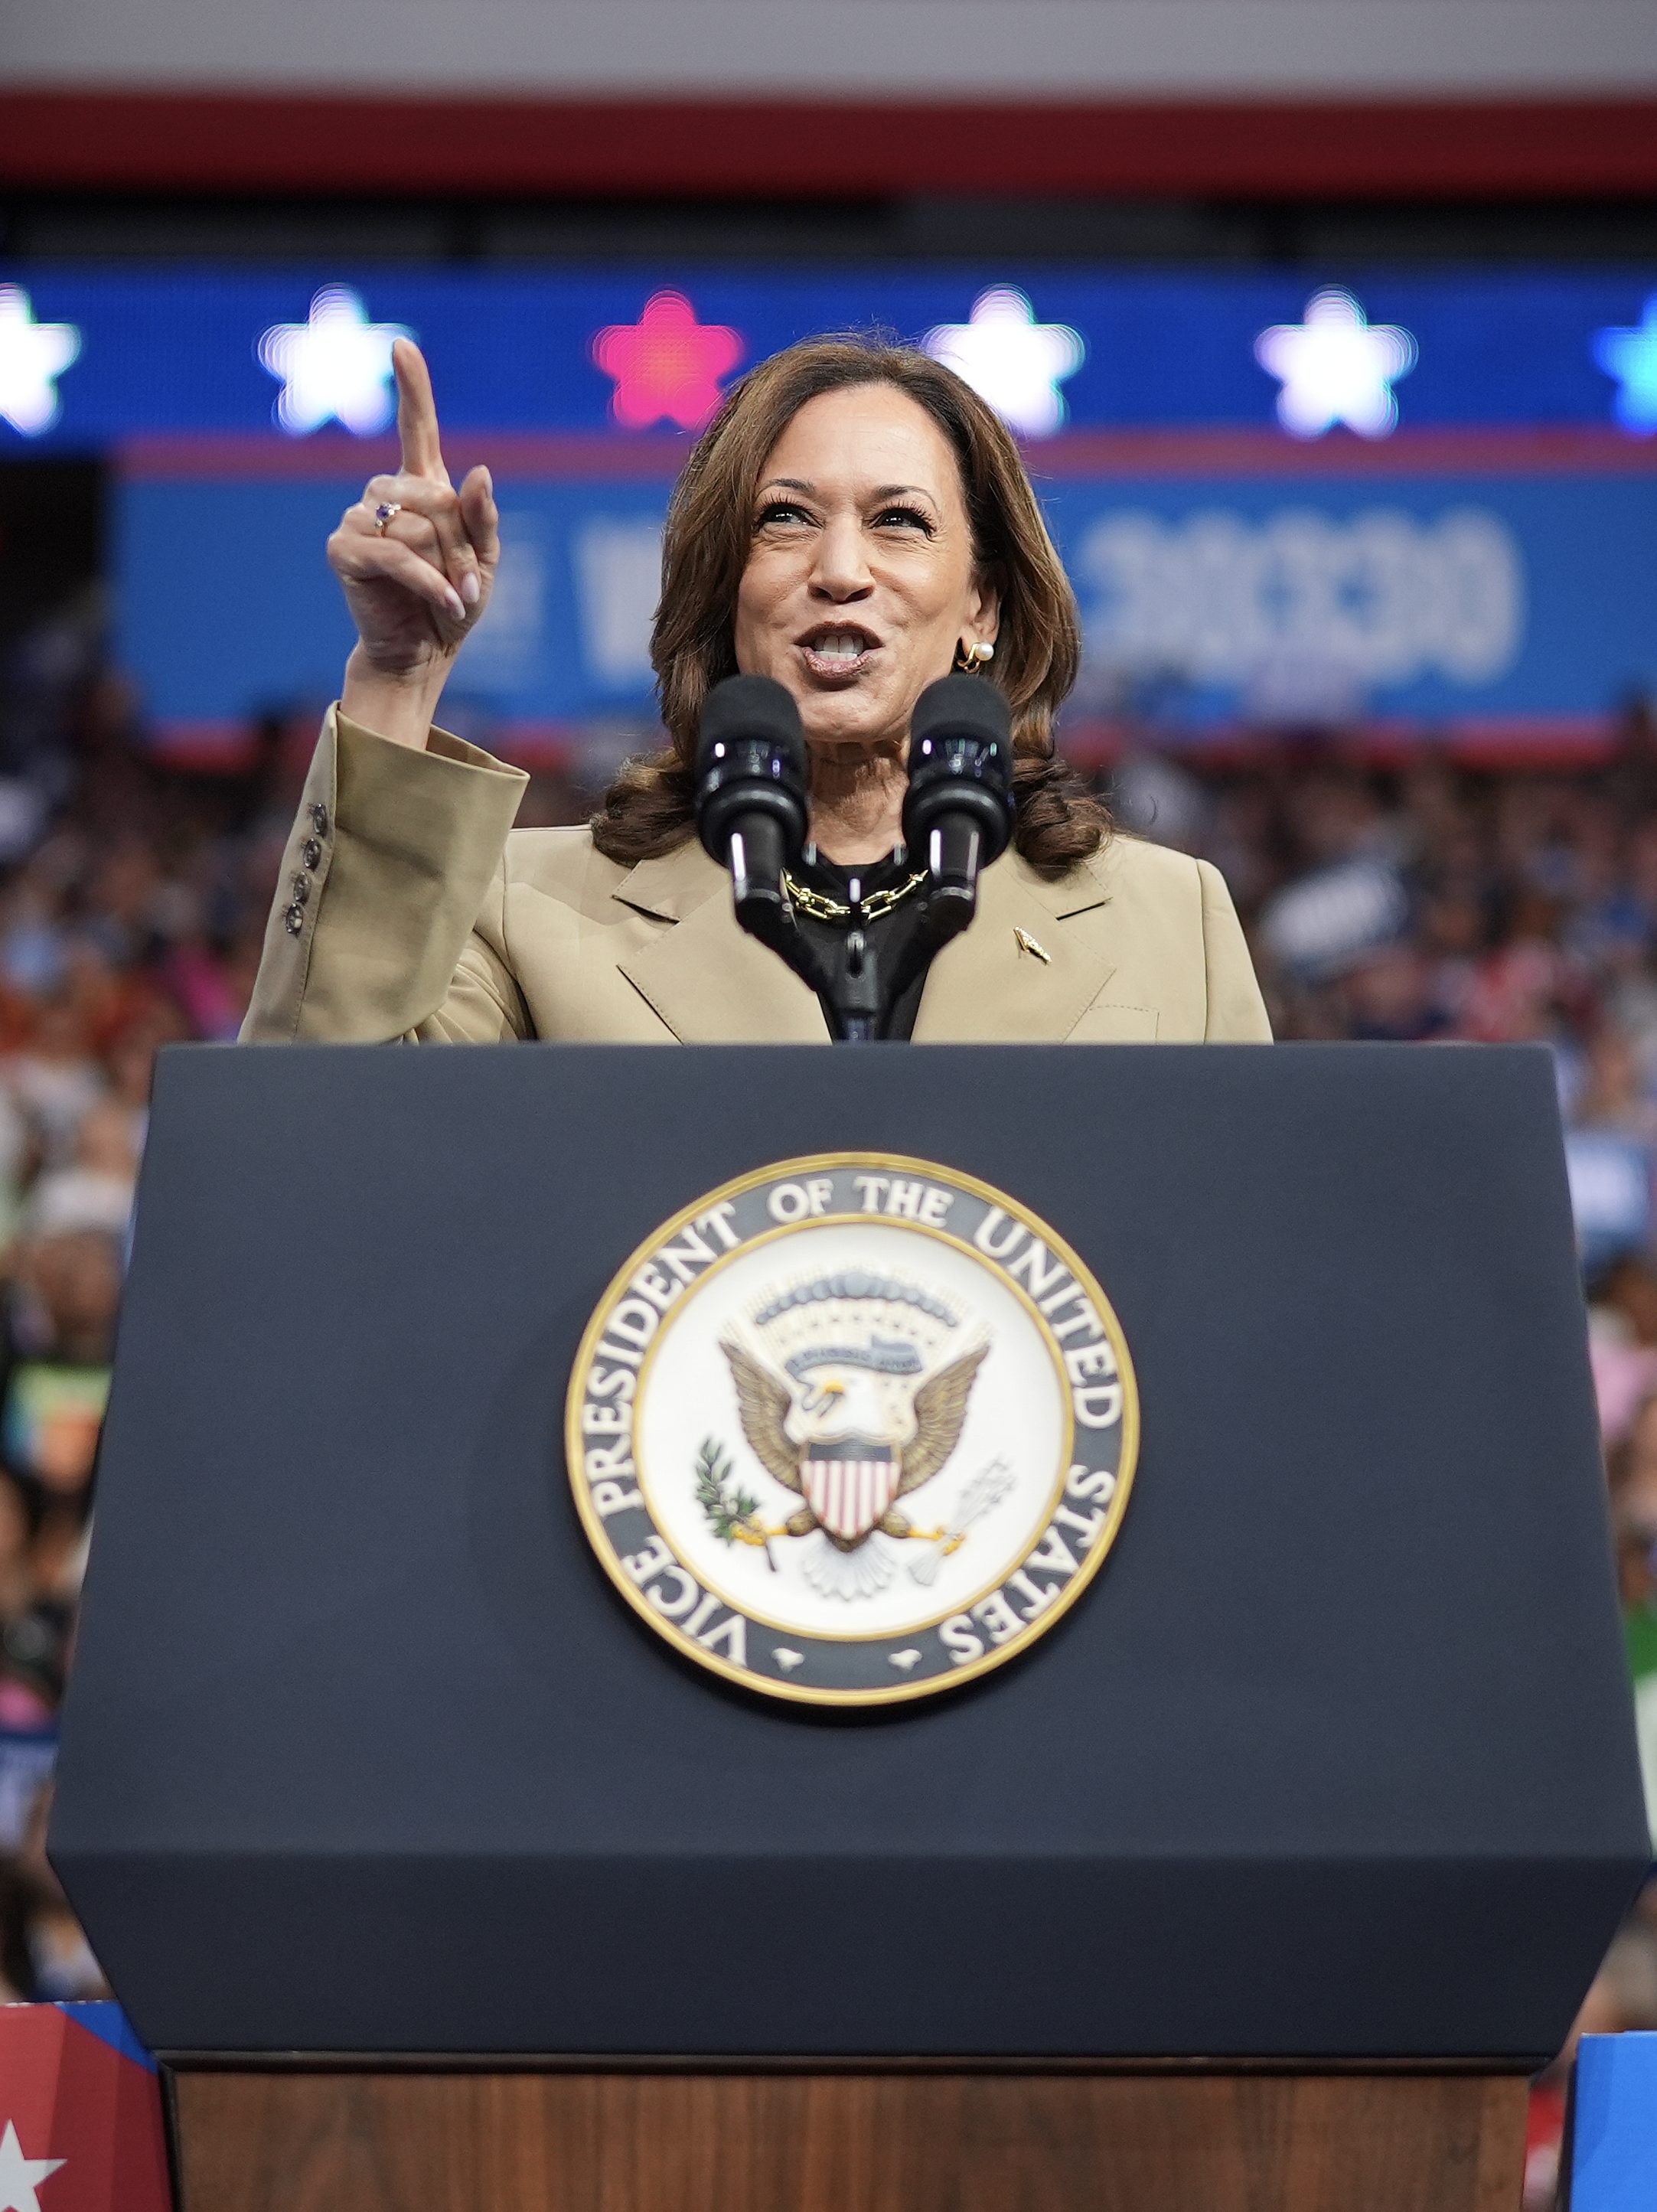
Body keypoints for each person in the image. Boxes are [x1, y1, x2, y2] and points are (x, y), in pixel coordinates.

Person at [241, 337, 1269, 1046]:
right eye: (785, 518)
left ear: (982, 607)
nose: (840, 569)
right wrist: (399, 675)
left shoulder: (1169, 919)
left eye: (899, 522)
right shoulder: (532, 911)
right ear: (724, 589)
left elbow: (1251, 1245)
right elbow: (317, 1138)